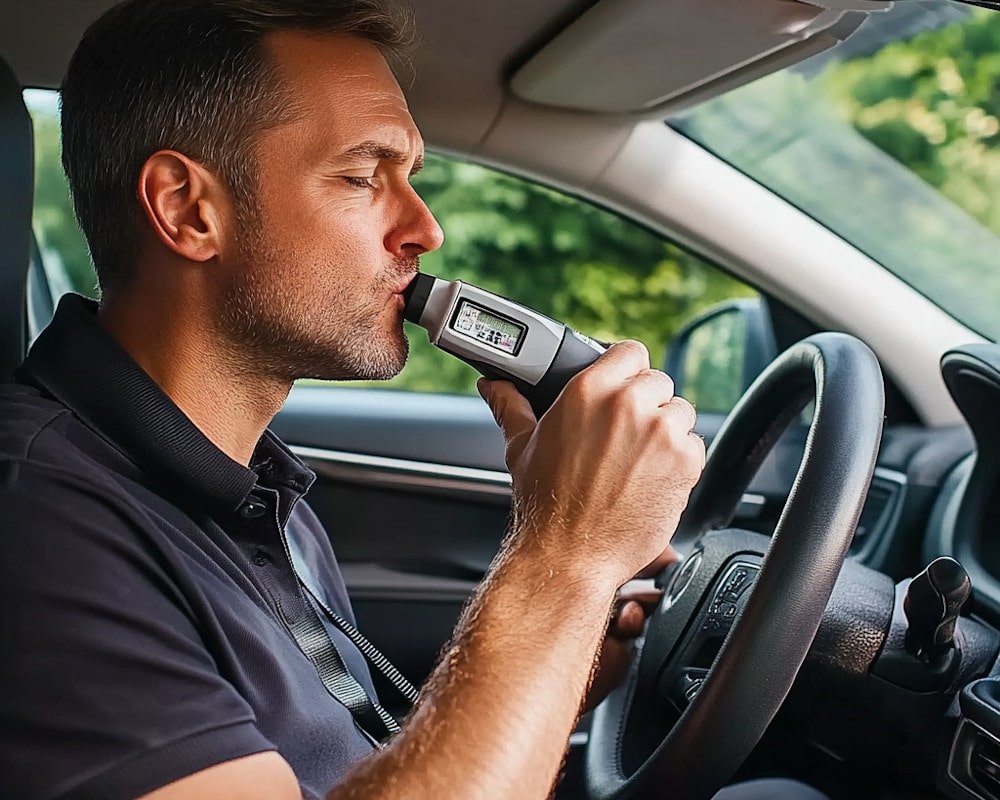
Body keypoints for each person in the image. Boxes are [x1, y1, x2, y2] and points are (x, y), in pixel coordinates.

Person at [0, 2, 828, 798]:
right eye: (364, 176)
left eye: (412, 178)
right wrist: (563, 562)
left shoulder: (246, 483)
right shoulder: (37, 524)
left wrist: (567, 650)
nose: (426, 229)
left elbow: (340, 759)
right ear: (188, 209)